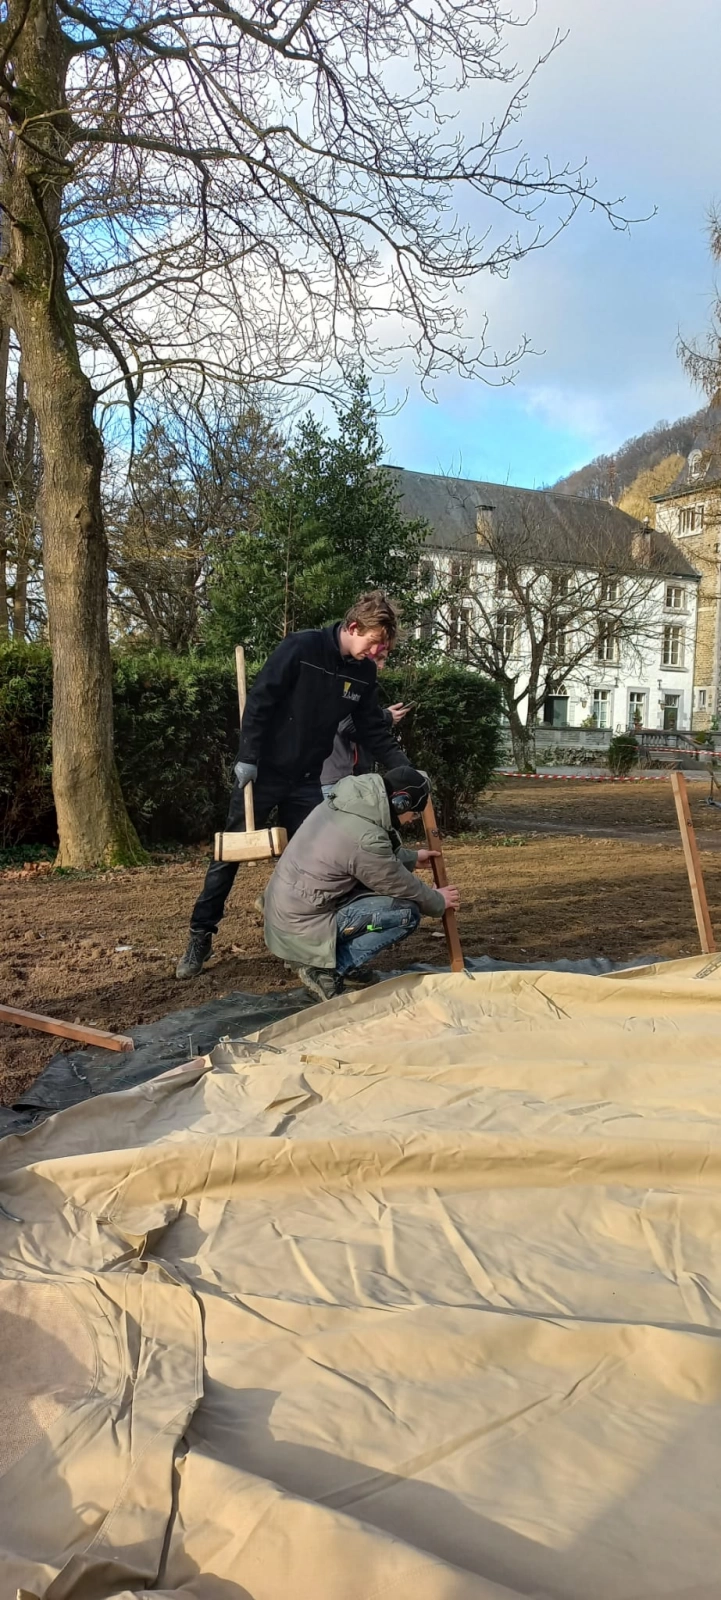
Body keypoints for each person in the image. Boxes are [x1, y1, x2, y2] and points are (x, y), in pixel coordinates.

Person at [176, 591, 407, 978]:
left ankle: (320, 951)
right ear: (354, 627)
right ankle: (200, 936)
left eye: (382, 647)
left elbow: (371, 728)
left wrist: (404, 768)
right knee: (228, 856)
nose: (376, 652)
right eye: (374, 643)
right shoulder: (301, 648)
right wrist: (247, 756)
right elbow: (261, 702)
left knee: (319, 861)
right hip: (263, 774)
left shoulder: (362, 673)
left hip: (306, 780)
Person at [264, 764, 461, 1002]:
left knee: (383, 900)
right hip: (302, 926)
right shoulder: (365, 836)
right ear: (400, 803)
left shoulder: (347, 804)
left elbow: (355, 855)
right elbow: (394, 881)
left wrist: (411, 858)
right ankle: (328, 970)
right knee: (404, 914)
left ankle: (320, 958)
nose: (411, 820)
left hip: (289, 912)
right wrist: (438, 900)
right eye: (414, 813)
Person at [320, 684, 412, 798]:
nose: (381, 667)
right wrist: (386, 717)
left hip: (340, 779)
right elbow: (349, 724)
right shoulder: (343, 683)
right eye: (378, 664)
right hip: (333, 781)